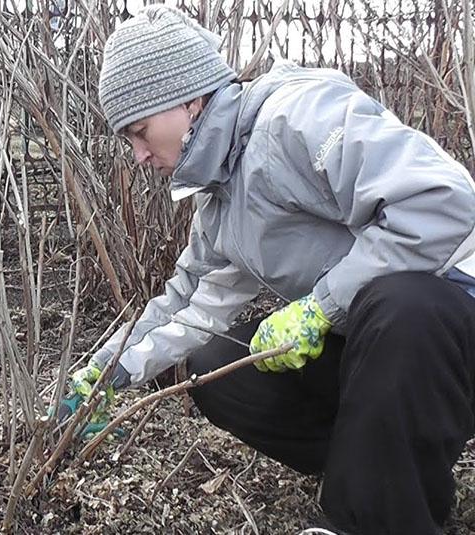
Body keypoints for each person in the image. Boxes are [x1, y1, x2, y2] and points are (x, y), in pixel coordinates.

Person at [64, 5, 475, 535]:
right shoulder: (222, 197)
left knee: (401, 303)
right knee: (220, 366)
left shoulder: (298, 119)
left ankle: (371, 518)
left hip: (452, 327)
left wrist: (321, 305)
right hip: (388, 356)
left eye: (140, 131)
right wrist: (110, 371)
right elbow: (189, 303)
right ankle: (385, 469)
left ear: (189, 100)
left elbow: (442, 204)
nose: (139, 155)